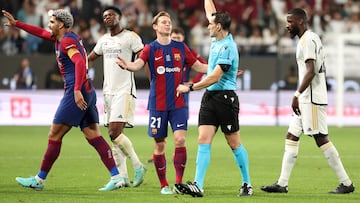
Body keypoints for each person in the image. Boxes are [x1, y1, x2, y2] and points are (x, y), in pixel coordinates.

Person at [2, 9, 125, 191]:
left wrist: (76, 91)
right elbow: (41, 33)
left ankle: (39, 180)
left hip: (76, 92)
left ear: (60, 24)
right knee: (93, 135)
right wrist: (17, 23)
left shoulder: (66, 41)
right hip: (88, 91)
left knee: (54, 134)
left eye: (52, 22)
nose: (49, 25)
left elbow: (80, 62)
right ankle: (117, 177)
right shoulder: (63, 37)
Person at [260, 8, 355, 194]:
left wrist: (296, 94)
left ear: (300, 22)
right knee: (291, 136)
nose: (287, 25)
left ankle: (346, 183)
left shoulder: (308, 40)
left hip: (310, 99)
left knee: (320, 138)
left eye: (290, 22)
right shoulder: (308, 39)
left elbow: (311, 71)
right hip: (306, 98)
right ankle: (282, 183)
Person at [116, 11, 207, 195]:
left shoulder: (180, 47)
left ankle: (179, 183)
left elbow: (199, 66)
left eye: (169, 22)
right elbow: (138, 65)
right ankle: (164, 184)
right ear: (155, 27)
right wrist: (128, 65)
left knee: (180, 140)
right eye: (163, 22)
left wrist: (220, 69)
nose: (167, 24)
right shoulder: (150, 48)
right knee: (160, 145)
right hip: (157, 104)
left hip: (178, 103)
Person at [174, 0, 253, 197]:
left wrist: (190, 87)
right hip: (210, 98)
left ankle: (246, 183)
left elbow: (214, 77)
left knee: (233, 143)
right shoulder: (217, 39)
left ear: (218, 27)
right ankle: (198, 185)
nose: (207, 25)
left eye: (210, 24)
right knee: (203, 139)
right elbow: (210, 11)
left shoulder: (228, 47)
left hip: (225, 99)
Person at [87, 6, 146, 187]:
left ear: (120, 18)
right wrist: (76, 64)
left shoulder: (130, 37)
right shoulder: (104, 40)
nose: (108, 18)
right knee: (114, 136)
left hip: (124, 90)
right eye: (105, 16)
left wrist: (132, 64)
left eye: (111, 15)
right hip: (108, 92)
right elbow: (90, 58)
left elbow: (144, 55)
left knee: (114, 132)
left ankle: (138, 165)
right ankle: (122, 178)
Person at [147, 27, 206, 163]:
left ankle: (177, 152)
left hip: (181, 92)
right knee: (160, 130)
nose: (176, 40)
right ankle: (158, 150)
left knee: (179, 133)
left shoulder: (187, 51)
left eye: (179, 38)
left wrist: (192, 83)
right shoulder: (158, 49)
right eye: (174, 38)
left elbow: (202, 66)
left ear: (183, 39)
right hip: (162, 95)